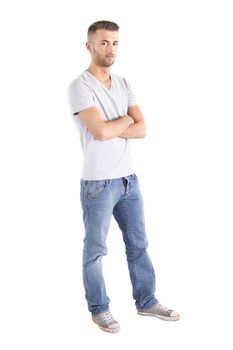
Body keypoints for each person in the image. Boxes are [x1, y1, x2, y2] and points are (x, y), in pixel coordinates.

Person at [67, 20, 180, 334]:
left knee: (139, 245)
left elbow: (143, 129)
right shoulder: (80, 86)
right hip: (98, 183)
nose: (110, 49)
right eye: (104, 42)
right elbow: (100, 131)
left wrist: (119, 124)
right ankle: (99, 309)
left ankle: (146, 301)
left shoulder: (124, 83)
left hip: (129, 180)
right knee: (95, 250)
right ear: (90, 46)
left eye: (115, 42)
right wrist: (126, 119)